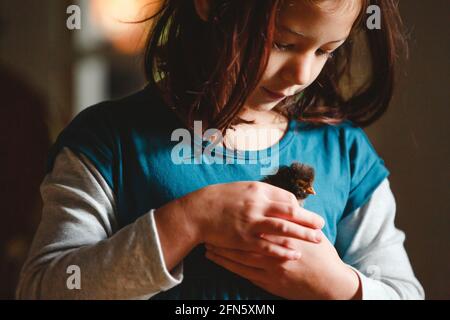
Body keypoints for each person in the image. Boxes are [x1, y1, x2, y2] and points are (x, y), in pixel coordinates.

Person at [16, 0, 425, 299]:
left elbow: (403, 292)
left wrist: (337, 285)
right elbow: (46, 287)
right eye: (283, 43)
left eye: (325, 51)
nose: (303, 74)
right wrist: (189, 221)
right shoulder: (106, 142)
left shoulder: (345, 154)